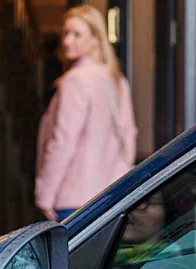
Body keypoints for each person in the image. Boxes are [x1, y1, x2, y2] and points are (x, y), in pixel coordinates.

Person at [35, 5, 137, 222]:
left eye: (76, 34)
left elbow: (63, 141)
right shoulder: (117, 79)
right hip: (110, 194)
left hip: (74, 197)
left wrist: (45, 194)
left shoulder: (75, 81)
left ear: (95, 39)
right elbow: (128, 134)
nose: (67, 41)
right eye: (66, 33)